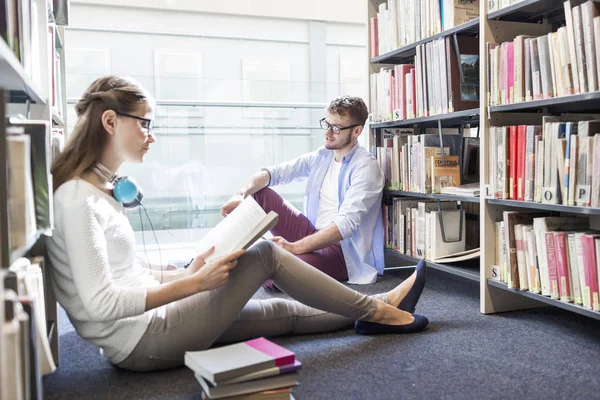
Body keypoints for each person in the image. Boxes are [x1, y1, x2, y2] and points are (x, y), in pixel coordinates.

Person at [46, 76, 428, 373]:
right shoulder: (79, 200)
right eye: (145, 124)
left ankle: (379, 303)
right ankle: (382, 314)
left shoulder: (98, 191)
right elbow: (101, 305)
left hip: (150, 324)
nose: (152, 136)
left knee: (282, 314)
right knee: (264, 254)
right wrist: (193, 283)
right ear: (110, 121)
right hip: (142, 339)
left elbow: (127, 270)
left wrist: (183, 271)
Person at [221, 95, 384, 286]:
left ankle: (240, 265)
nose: (328, 133)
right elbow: (274, 173)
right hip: (312, 233)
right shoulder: (322, 156)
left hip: (342, 253)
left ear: (357, 131)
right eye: (327, 124)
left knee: (273, 273)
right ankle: (220, 257)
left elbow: (344, 226)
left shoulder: (366, 168)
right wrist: (240, 195)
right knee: (258, 194)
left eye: (337, 128)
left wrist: (293, 248)